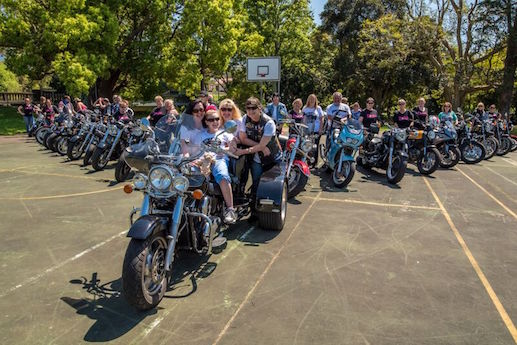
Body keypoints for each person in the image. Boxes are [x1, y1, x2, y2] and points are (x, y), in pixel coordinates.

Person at [236, 97, 282, 199]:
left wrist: (243, 151)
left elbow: (262, 145)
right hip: (256, 158)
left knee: (271, 186)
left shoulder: (269, 123)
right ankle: (254, 208)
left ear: (259, 108)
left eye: (253, 108)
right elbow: (243, 139)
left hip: (271, 158)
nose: (251, 111)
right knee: (256, 183)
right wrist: (261, 147)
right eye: (248, 108)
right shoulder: (245, 118)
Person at [199, 109, 237, 223]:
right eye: (211, 120)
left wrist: (223, 149)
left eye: (217, 119)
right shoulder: (200, 134)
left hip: (219, 159)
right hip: (202, 160)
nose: (215, 122)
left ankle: (230, 209)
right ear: (206, 122)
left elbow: (233, 148)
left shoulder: (224, 133)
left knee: (222, 176)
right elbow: (193, 148)